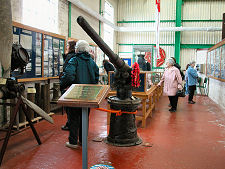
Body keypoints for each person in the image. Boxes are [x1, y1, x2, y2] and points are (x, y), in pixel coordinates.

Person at [60, 40, 99, 149]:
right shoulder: (91, 62)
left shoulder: (74, 60)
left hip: (75, 94)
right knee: (84, 117)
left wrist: (62, 85)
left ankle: (73, 142)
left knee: (73, 118)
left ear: (77, 49)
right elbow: (96, 76)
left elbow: (69, 76)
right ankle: (82, 140)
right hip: (88, 95)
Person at [60, 40, 76, 131]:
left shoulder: (70, 57)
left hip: (69, 86)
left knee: (69, 108)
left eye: (67, 46)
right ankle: (71, 123)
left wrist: (62, 84)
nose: (66, 48)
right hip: (73, 85)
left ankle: (70, 124)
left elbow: (68, 74)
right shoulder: (75, 56)